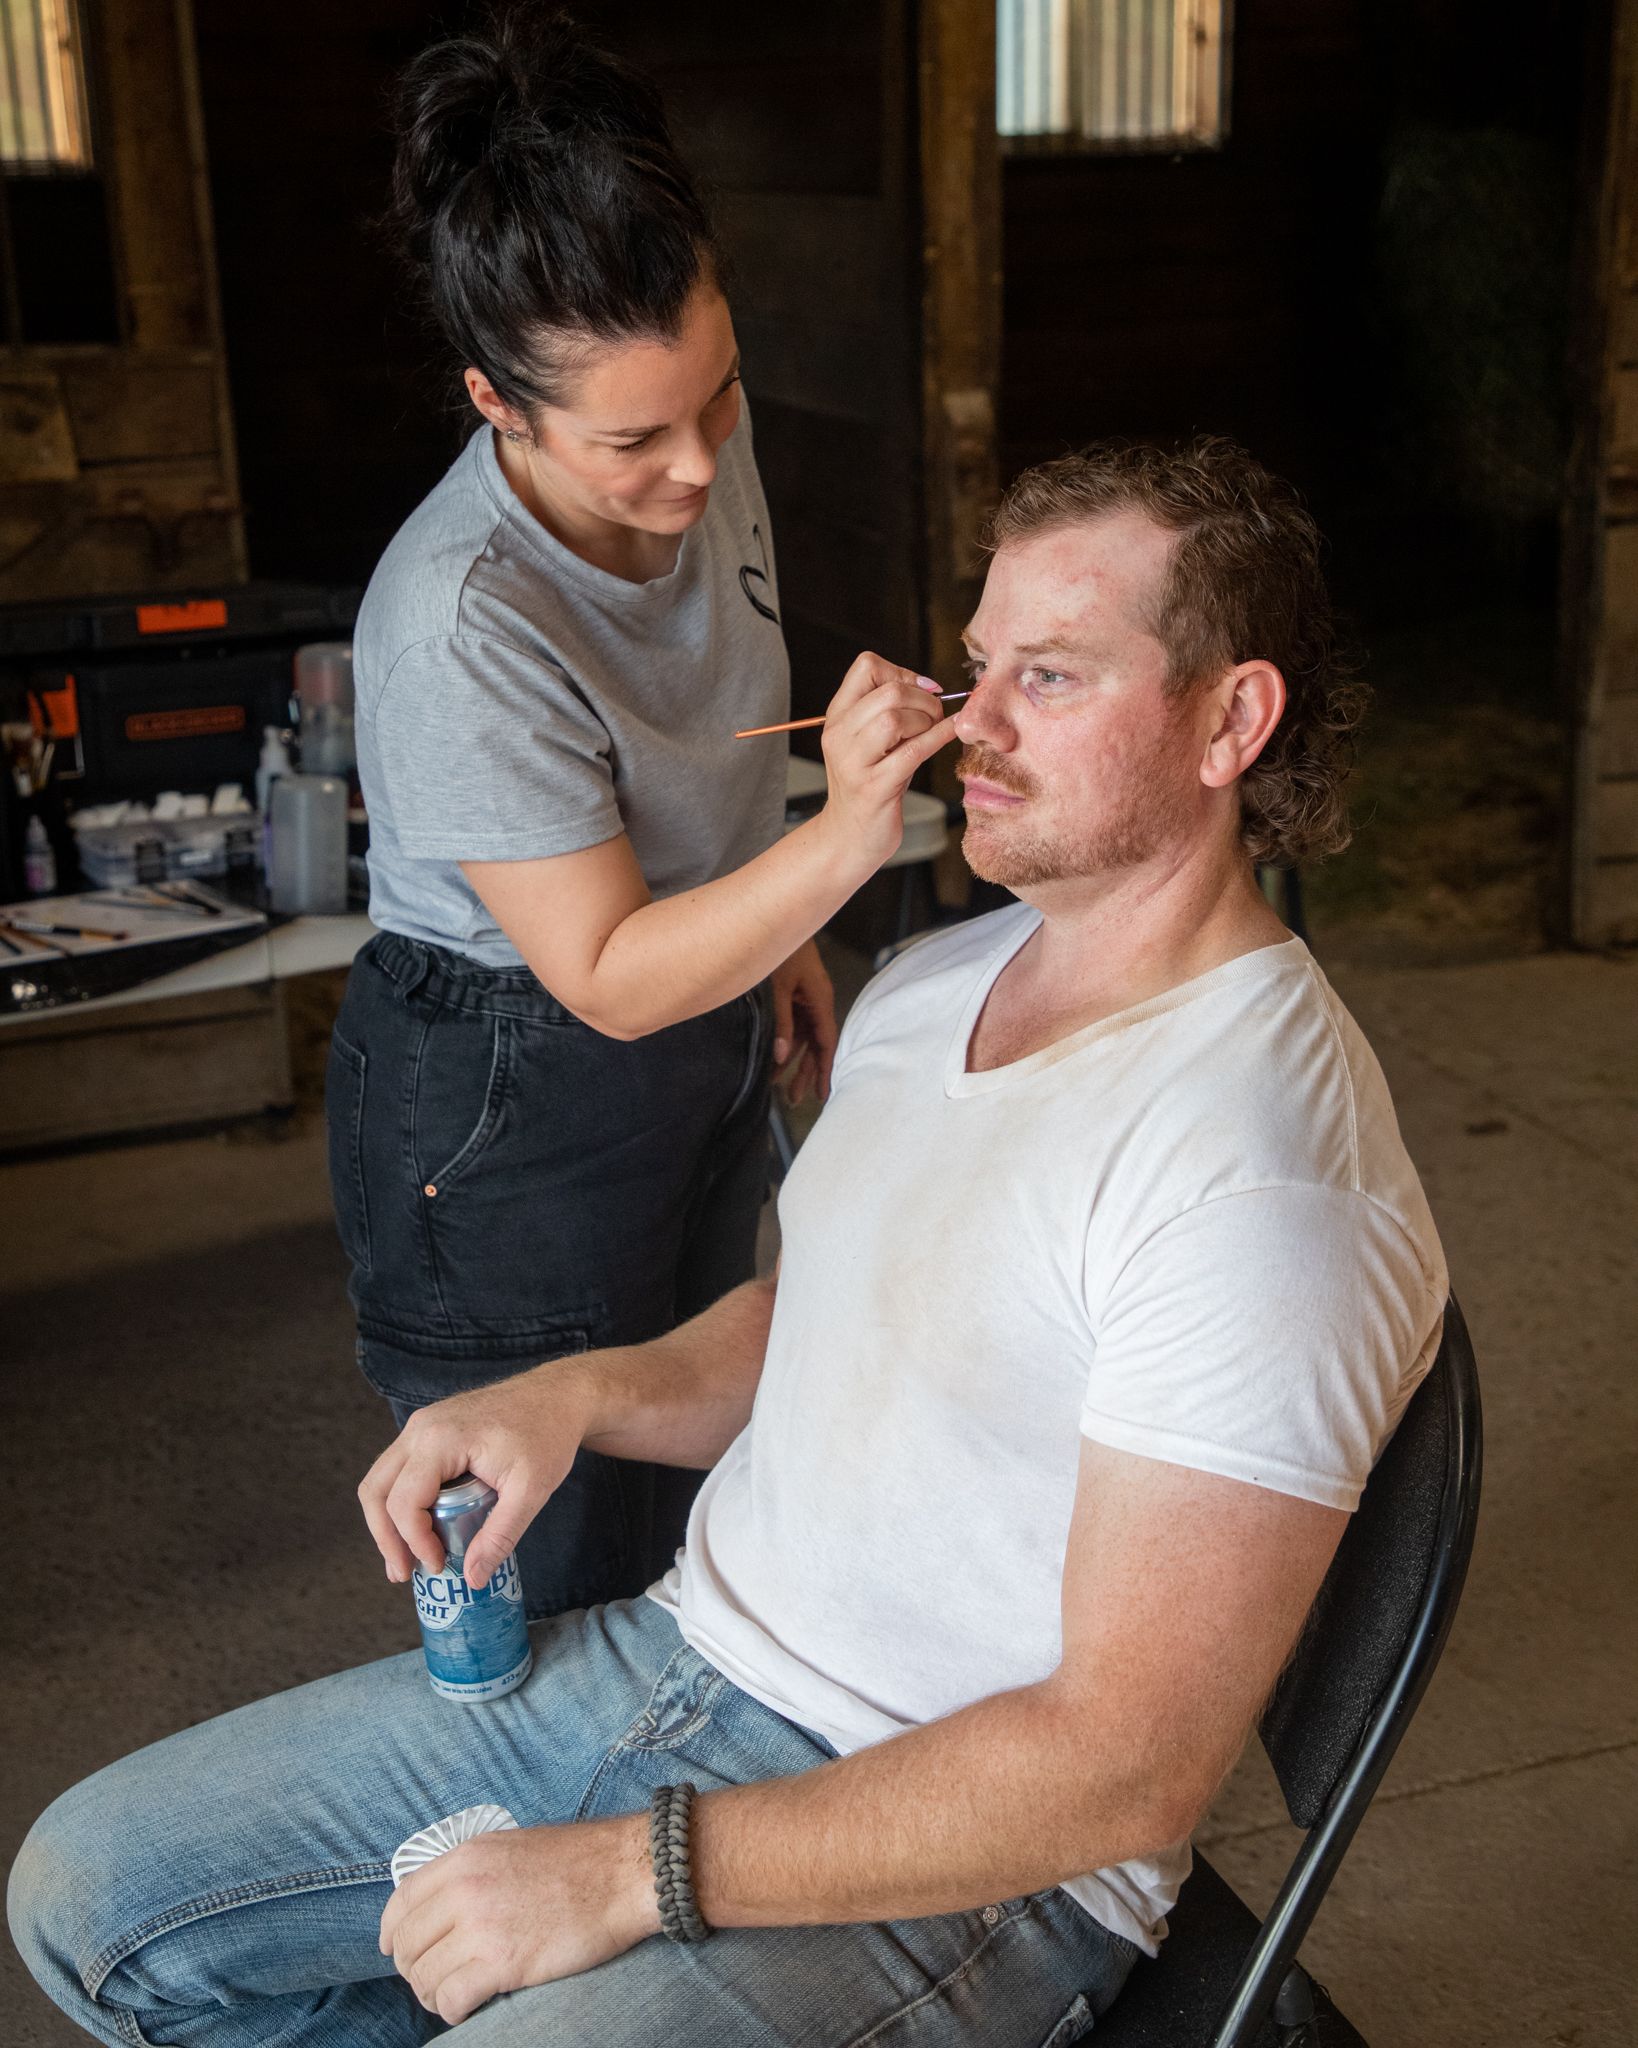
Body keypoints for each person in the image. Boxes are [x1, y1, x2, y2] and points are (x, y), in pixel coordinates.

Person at [11, 438, 1447, 2048]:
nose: (968, 721)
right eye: (976, 664)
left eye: (1048, 677)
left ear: (1230, 721)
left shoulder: (1262, 1179)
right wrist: (578, 1393)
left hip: (975, 1864)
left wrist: (630, 1873)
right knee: (91, 1898)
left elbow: (1124, 1765)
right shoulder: (937, 981)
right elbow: (834, 1319)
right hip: (677, 1659)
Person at [331, 8, 952, 1623]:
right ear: (496, 400)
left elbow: (709, 747)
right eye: (630, 443)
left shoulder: (685, 424)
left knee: (699, 1468)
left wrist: (765, 927)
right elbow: (605, 974)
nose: (693, 468)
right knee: (555, 1556)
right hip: (512, 1070)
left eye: (717, 399)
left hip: (693, 986)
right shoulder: (461, 623)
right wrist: (839, 843)